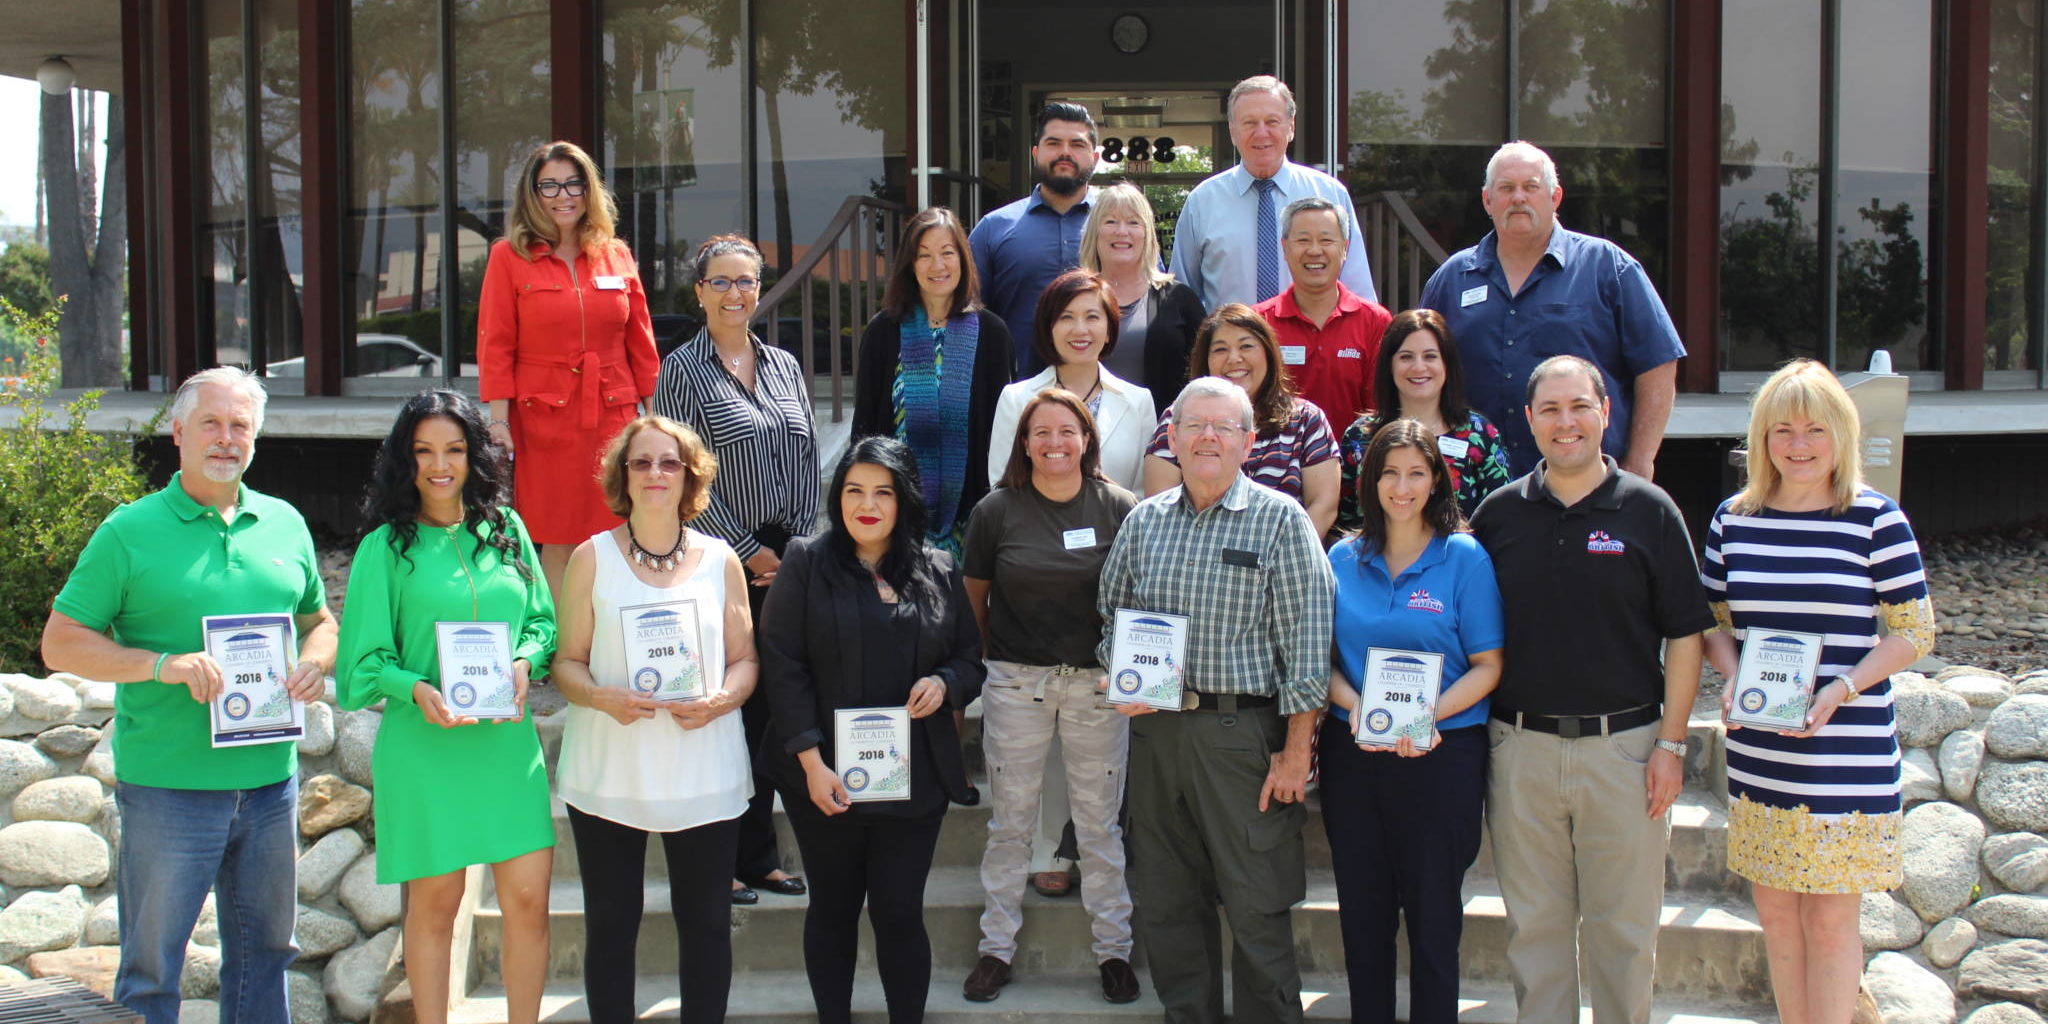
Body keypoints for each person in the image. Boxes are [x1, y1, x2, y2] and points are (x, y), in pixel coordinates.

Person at [42, 367, 337, 1024]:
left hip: (269, 787)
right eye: (212, 423)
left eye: (240, 426)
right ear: (177, 433)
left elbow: (321, 622)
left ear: (256, 438)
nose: (226, 439)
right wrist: (161, 665)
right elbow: (60, 643)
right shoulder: (129, 532)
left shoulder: (284, 524)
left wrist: (316, 663)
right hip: (169, 793)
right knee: (151, 975)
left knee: (265, 961)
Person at [1468, 355, 1714, 1024]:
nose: (1565, 422)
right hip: (1521, 749)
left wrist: (1671, 743)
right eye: (1549, 409)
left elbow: (1687, 635)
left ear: (1606, 413)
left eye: (1579, 406)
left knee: (1625, 935)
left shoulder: (1650, 511)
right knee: (1535, 935)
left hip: (1626, 752)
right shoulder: (1496, 518)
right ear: (1529, 420)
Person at [1700, 359, 1935, 1024]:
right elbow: (1711, 621)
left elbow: (1914, 632)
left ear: (1841, 433)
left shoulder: (1875, 518)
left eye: (1813, 429)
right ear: (1761, 436)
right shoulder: (1733, 519)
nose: (1798, 445)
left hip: (1845, 751)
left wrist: (1842, 686)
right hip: (1763, 746)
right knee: (1775, 913)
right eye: (1782, 430)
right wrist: (1736, 676)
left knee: (1831, 918)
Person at [1097, 375, 1335, 1024]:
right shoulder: (1143, 523)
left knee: (1257, 910)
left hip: (1244, 741)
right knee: (1170, 908)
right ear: (1169, 437)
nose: (1206, 436)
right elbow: (1109, 617)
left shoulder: (1282, 520)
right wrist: (1118, 674)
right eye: (1192, 425)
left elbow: (1310, 645)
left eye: (1223, 427)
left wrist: (1295, 752)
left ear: (1248, 441)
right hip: (1158, 736)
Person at [335, 390, 556, 1024]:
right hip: (424, 750)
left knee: (528, 903)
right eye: (424, 451)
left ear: (474, 456)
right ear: (405, 460)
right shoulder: (384, 548)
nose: (440, 465)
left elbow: (543, 624)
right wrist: (415, 689)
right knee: (433, 906)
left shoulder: (507, 531)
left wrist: (522, 662)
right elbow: (361, 668)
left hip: (505, 749)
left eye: (454, 450)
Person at [758, 437, 986, 1024]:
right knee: (832, 908)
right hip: (824, 777)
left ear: (903, 500)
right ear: (838, 498)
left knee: (899, 911)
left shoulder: (937, 568)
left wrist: (944, 683)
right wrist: (811, 763)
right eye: (854, 490)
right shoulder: (807, 561)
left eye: (882, 492)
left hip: (914, 780)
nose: (867, 504)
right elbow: (783, 666)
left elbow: (969, 659)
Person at [550, 416, 759, 1024]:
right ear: (623, 476)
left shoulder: (721, 561)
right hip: (612, 768)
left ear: (689, 476)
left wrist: (721, 699)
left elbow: (746, 661)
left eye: (669, 462)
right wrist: (598, 698)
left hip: (703, 768)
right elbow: (566, 664)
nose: (655, 474)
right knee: (612, 924)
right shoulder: (592, 558)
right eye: (641, 463)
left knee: (706, 926)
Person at [650, 234, 815, 906]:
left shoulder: (782, 365)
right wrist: (748, 551)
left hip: (791, 558)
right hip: (718, 558)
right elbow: (675, 474)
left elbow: (808, 461)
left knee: (774, 714)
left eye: (746, 282)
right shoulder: (681, 371)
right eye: (720, 282)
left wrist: (799, 546)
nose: (734, 295)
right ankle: (716, 860)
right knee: (723, 717)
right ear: (699, 292)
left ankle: (761, 858)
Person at [961, 389, 1141, 1006]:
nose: (1055, 443)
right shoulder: (996, 511)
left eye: (1068, 431)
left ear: (1088, 438)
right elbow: (974, 598)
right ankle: (995, 949)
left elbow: (1138, 600)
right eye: (1041, 432)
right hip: (1018, 682)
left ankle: (1114, 950)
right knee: (1010, 821)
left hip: (1097, 685)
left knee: (1098, 824)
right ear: (1024, 441)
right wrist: (993, 664)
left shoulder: (1121, 507)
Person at [1322, 419, 1503, 1024]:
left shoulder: (1464, 557)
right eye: (1390, 473)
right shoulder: (1342, 559)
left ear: (1436, 481)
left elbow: (1487, 666)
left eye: (1416, 473)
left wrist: (1424, 715)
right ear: (1370, 481)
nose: (1402, 487)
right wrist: (1360, 711)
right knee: (1363, 913)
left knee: (1433, 919)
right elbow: (1320, 665)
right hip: (1356, 753)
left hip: (1441, 755)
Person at [1419, 141, 1683, 479]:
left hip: (1585, 486)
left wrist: (1640, 462)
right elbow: (1421, 371)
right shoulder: (1452, 279)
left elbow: (1657, 364)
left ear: (1555, 197)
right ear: (1487, 200)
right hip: (1475, 486)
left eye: (1531, 187)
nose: (1518, 198)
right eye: (1506, 188)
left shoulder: (1608, 268)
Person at [478, 139, 661, 596]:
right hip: (544, 423)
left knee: (619, 533)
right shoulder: (508, 256)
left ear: (589, 189)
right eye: (550, 186)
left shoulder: (615, 253)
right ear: (532, 194)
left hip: (613, 417)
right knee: (558, 541)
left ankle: (616, 643)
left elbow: (640, 340)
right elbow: (496, 343)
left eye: (573, 183)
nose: (563, 196)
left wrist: (655, 418)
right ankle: (565, 656)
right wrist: (499, 421)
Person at [855, 207, 1017, 556]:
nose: (937, 265)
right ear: (909, 265)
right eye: (923, 255)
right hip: (894, 518)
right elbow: (865, 427)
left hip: (974, 518)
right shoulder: (884, 332)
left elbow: (1002, 432)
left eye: (947, 253)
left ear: (963, 259)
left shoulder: (992, 334)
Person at [1169, 76, 1376, 310]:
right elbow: (1182, 297)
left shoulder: (1329, 195)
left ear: (1291, 127)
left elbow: (1358, 293)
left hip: (1315, 344)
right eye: (1249, 123)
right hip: (1231, 343)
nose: (1261, 133)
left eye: (1272, 121)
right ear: (1232, 130)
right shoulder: (1202, 201)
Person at [1141, 304, 1341, 538]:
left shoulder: (1307, 420)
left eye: (1246, 346)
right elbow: (1160, 504)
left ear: (1268, 353)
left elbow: (1323, 505)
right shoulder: (1179, 418)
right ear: (1205, 360)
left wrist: (1283, 555)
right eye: (1220, 349)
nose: (1234, 358)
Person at [1337, 309, 1512, 529]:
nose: (1419, 367)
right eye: (1406, 357)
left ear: (1447, 363)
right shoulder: (1359, 437)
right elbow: (1344, 523)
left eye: (1430, 356)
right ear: (1389, 365)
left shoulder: (1481, 435)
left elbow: (1502, 521)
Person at [986, 269, 1156, 492]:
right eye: (1066, 317)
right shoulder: (1016, 399)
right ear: (1049, 329)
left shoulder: (1139, 402)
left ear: (1109, 330)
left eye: (1092, 317)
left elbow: (1143, 494)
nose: (1080, 330)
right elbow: (1001, 488)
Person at [969, 101, 1100, 376]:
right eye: (1054, 143)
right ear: (1036, 153)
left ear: (1095, 158)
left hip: (1108, 399)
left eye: (1077, 145)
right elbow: (967, 319)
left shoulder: (1122, 229)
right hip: (1017, 395)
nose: (1065, 152)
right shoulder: (994, 228)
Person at [1253, 196, 1393, 430]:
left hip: (1352, 462)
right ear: (1285, 248)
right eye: (1303, 240)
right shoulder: (1259, 322)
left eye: (1326, 240)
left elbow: (1379, 412)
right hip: (1278, 464)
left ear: (1345, 248)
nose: (1315, 251)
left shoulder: (1375, 321)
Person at [1078, 181, 1207, 413]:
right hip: (1083, 438)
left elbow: (1205, 376)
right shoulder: (1071, 298)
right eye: (1110, 221)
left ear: (1147, 234)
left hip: (1162, 441)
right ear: (1094, 233)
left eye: (1133, 222)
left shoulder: (1180, 300)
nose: (1122, 231)